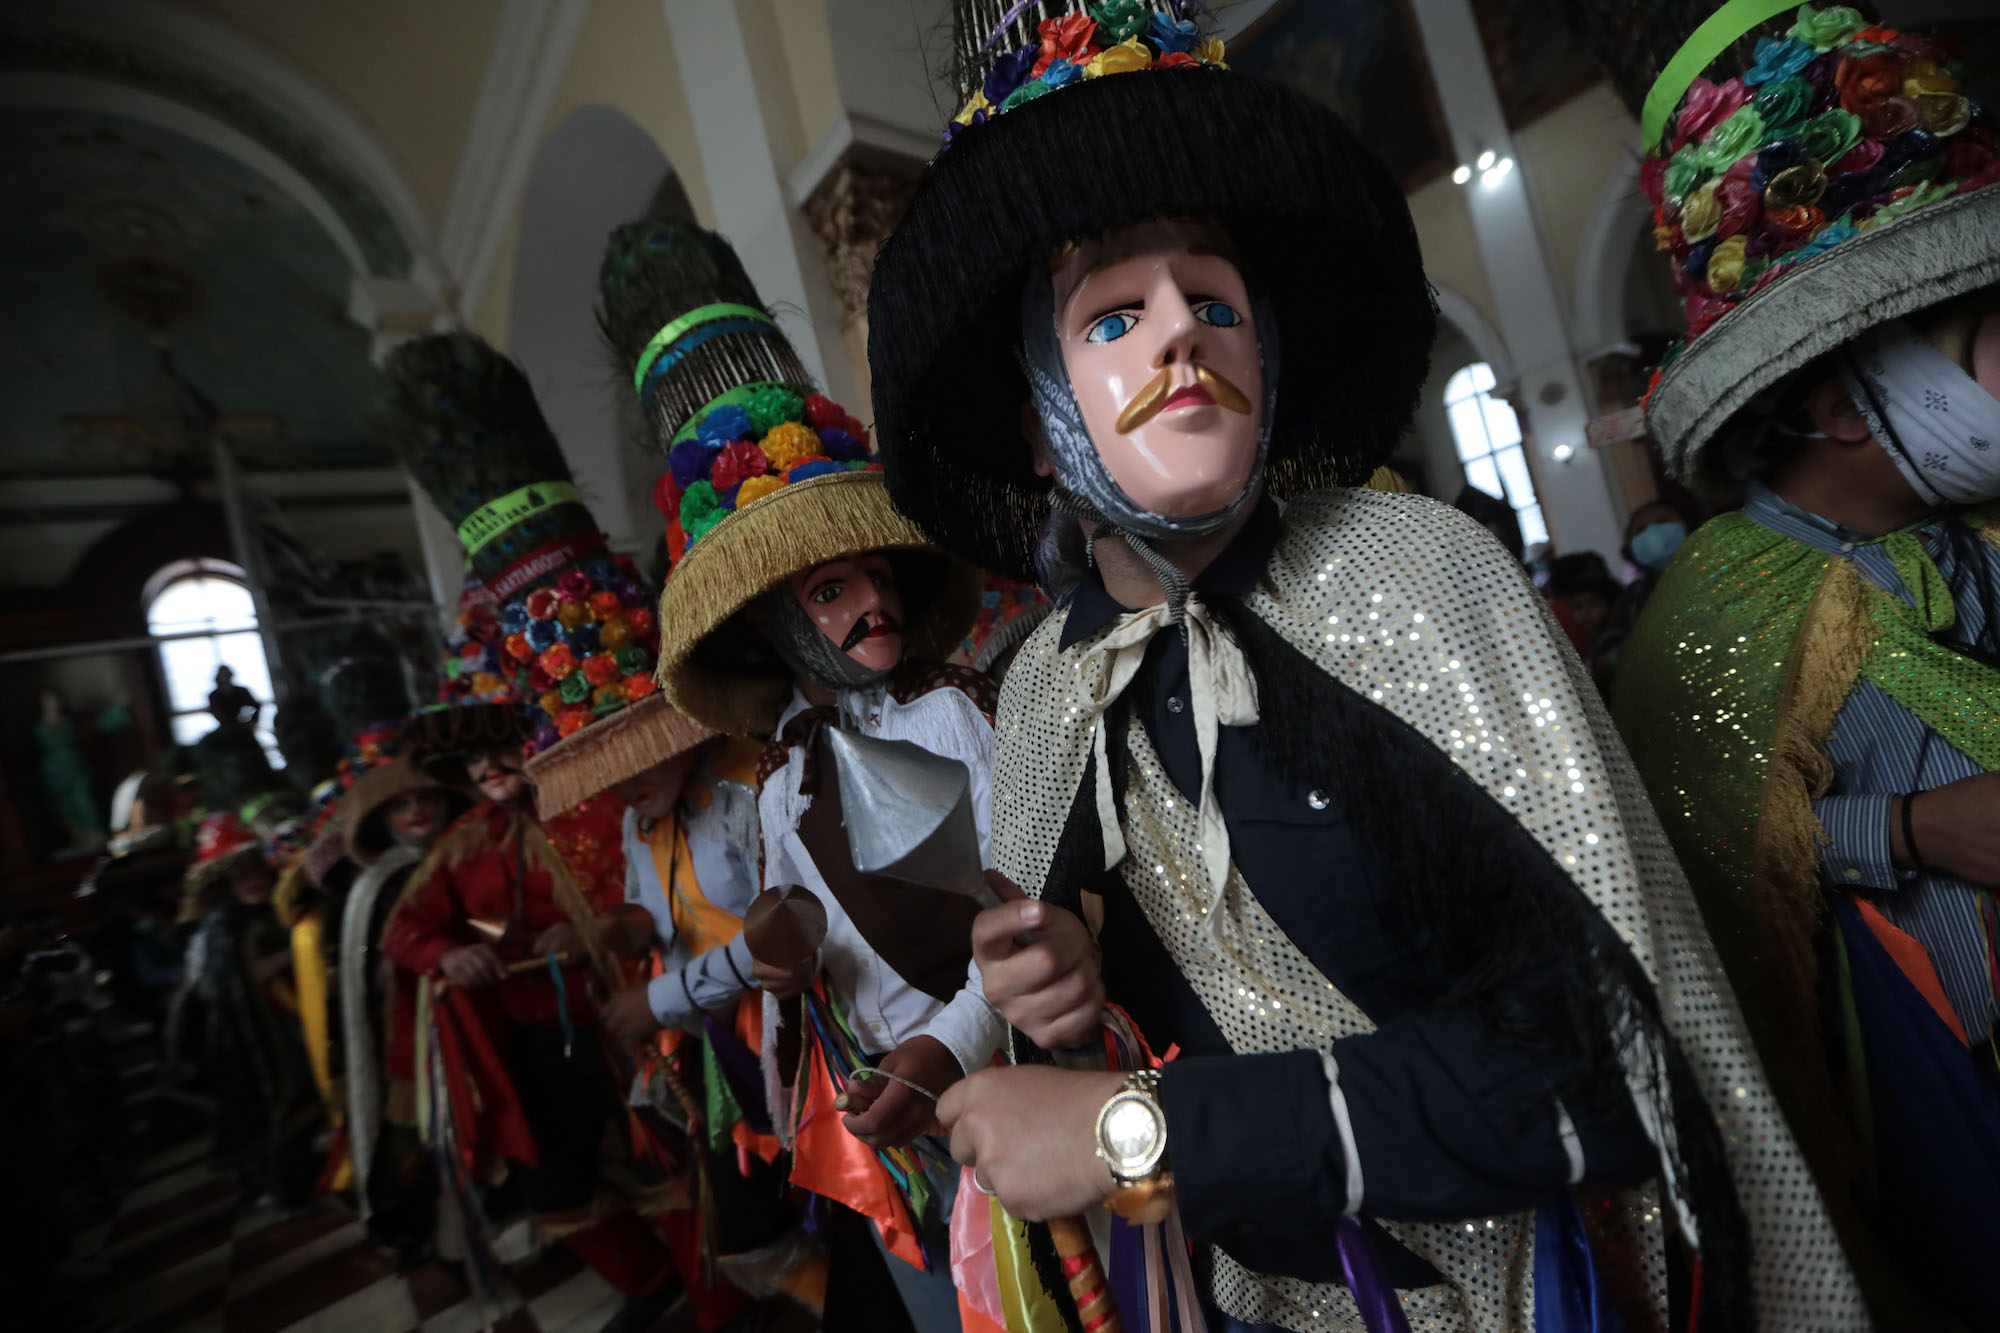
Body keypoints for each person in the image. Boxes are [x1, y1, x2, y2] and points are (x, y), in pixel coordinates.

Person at [865, 4, 1865, 1329]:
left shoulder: (1419, 571)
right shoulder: (1046, 686)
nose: (1181, 336)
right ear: (1039, 432)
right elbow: (1114, 1039)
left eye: (1214, 301)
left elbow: (1614, 1064)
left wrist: (1140, 1127)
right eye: (1115, 316)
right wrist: (1066, 992)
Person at [1575, 4, 2000, 1323]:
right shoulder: (1717, 600)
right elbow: (1685, 873)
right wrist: (1914, 826)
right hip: (1930, 1114)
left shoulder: (1973, 543)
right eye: (1975, 330)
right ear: (1830, 401)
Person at [604, 216, 995, 1331]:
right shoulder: (779, 783)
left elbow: (1011, 916)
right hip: (884, 1119)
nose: (870, 602)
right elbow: (796, 956)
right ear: (776, 625)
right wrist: (779, 968)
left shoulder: (948, 720)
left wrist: (937, 1049)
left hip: (992, 1077)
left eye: (873, 575)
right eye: (828, 593)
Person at [380, 332, 727, 1333]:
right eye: (476, 767)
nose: (494, 774)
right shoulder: (470, 846)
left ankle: (716, 1298)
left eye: (504, 752)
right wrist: (451, 951)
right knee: (578, 1184)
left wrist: (611, 935)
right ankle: (663, 1292)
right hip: (552, 1046)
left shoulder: (611, 794)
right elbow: (410, 931)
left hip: (666, 1010)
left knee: (686, 1162)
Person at [176, 812, 321, 1205]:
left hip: (282, 1023)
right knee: (267, 1104)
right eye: (240, 875)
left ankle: (298, 1175)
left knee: (298, 1099)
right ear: (225, 883)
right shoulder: (222, 928)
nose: (252, 880)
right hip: (247, 1035)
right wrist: (290, 956)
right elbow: (231, 982)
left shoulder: (271, 911)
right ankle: (278, 1184)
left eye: (257, 869)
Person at [1588, 497, 1696, 689]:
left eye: (1663, 522)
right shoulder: (1633, 597)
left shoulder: (1716, 573)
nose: (1653, 534)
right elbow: (1602, 661)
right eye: (1641, 530)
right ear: (1631, 545)